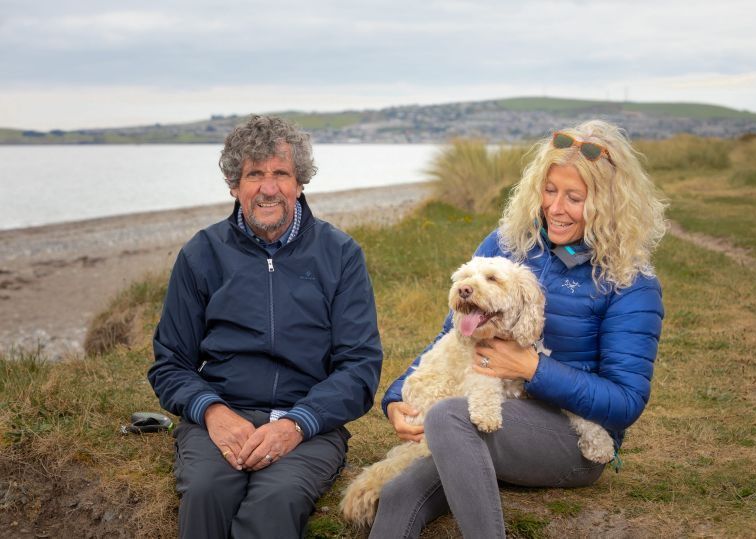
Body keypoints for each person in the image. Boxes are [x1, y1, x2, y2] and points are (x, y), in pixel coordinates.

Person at [371, 120, 666, 538]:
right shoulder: (506, 243)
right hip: (485, 417)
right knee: (399, 492)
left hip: (573, 438)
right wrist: (398, 396)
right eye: (550, 190)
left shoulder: (630, 283)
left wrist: (532, 368)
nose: (555, 208)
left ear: (609, 204)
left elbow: (625, 402)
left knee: (449, 415)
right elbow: (453, 334)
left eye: (575, 197)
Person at [147, 116, 383, 539]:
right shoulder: (202, 254)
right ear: (234, 185)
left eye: (281, 174)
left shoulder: (340, 254)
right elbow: (170, 363)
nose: (268, 188)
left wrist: (297, 424)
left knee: (275, 503)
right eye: (255, 174)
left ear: (300, 183)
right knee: (205, 493)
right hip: (219, 416)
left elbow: (360, 368)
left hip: (308, 423)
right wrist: (213, 413)